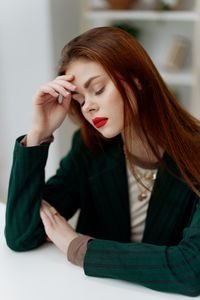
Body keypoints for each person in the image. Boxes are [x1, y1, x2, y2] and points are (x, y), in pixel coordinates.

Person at [5, 26, 200, 296]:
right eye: (80, 98)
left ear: (137, 79)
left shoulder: (196, 153)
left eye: (98, 89)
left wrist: (78, 246)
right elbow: (21, 236)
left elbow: (192, 269)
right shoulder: (89, 148)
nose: (88, 107)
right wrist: (39, 134)